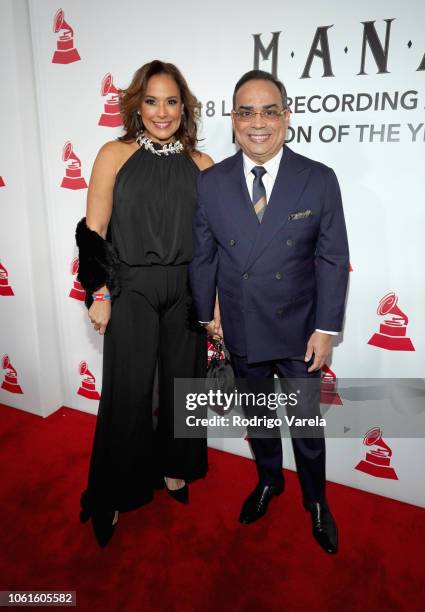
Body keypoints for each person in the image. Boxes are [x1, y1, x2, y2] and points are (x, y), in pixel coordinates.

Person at [189, 70, 349, 554]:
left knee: (305, 425)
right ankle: (268, 481)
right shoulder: (211, 182)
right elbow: (203, 254)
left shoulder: (318, 179)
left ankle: (316, 501)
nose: (257, 122)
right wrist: (206, 313)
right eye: (246, 111)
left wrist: (326, 328)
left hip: (302, 331)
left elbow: (332, 257)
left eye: (268, 110)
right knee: (259, 420)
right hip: (240, 324)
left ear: (286, 116)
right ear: (233, 119)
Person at [75, 60, 213, 547]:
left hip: (187, 290)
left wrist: (212, 304)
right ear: (137, 104)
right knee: (127, 393)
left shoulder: (202, 164)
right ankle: (113, 490)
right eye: (152, 100)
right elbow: (94, 231)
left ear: (184, 107)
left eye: (171, 101)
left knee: (183, 386)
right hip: (130, 285)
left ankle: (176, 467)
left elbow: (213, 241)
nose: (162, 111)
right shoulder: (115, 153)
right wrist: (100, 292)